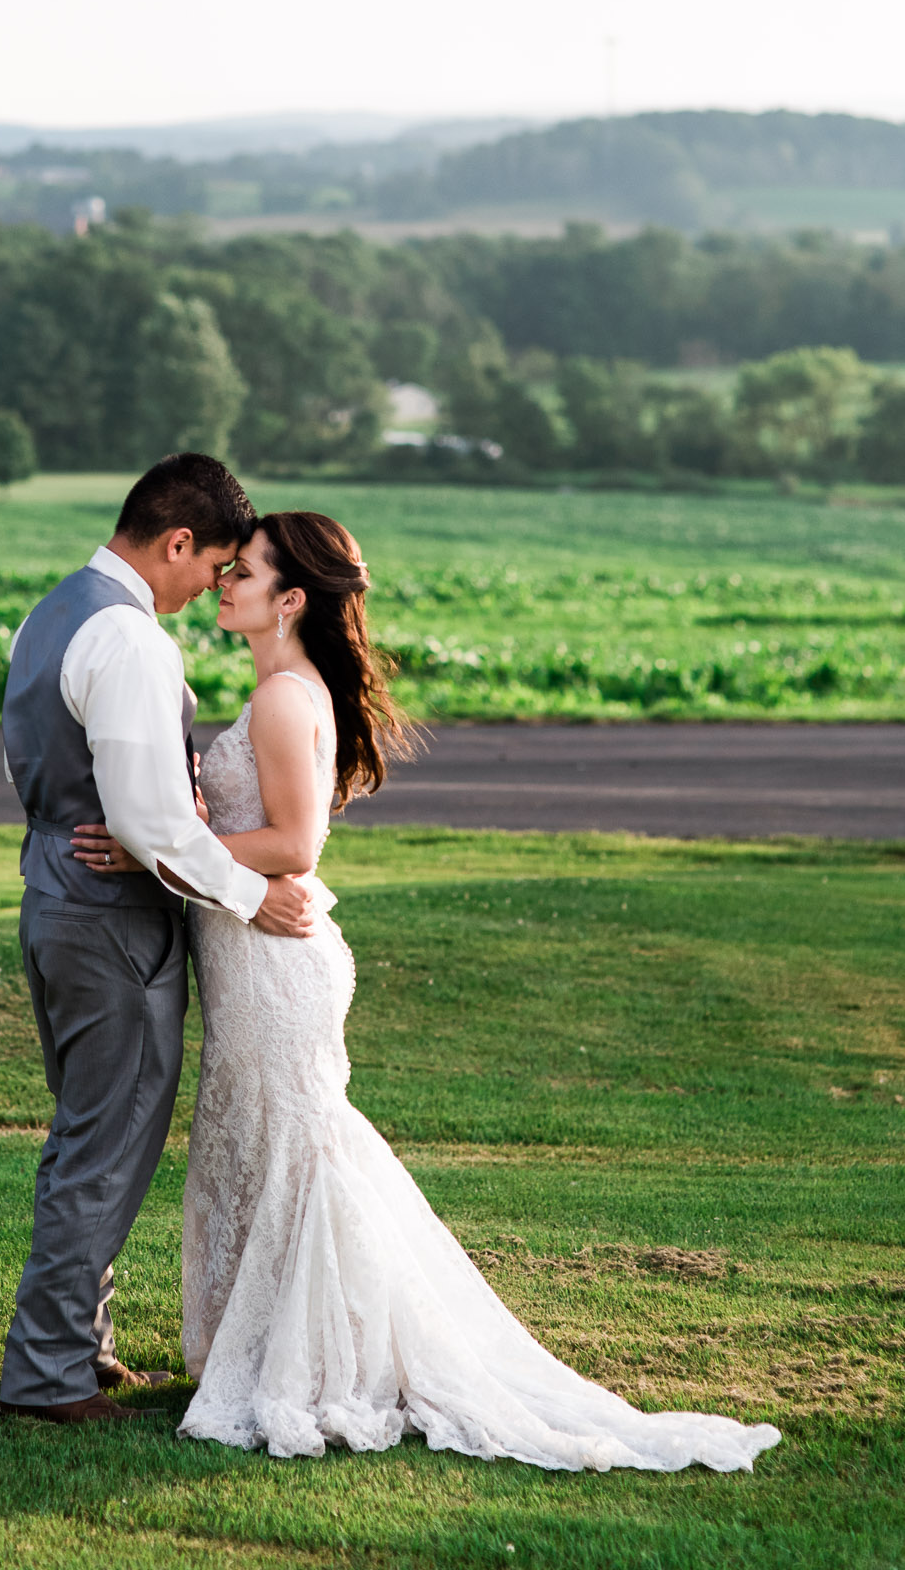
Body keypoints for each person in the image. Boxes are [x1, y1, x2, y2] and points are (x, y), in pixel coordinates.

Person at [75, 510, 781, 1471]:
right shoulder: (278, 687)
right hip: (253, 957)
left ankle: (323, 1364)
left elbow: (294, 848)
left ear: (289, 600)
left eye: (245, 571)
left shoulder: (286, 699)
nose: (224, 581)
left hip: (275, 962)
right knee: (264, 1145)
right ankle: (285, 1346)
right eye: (226, 566)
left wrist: (152, 848)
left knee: (293, 1152)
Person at [0, 454, 316, 1426]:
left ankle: (76, 1346)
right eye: (213, 566)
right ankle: (47, 1374)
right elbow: (152, 824)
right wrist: (250, 893)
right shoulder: (132, 641)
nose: (211, 587)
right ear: (176, 541)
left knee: (84, 1135)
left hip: (51, 892)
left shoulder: (46, 614)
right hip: (110, 919)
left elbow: (35, 767)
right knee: (108, 1140)